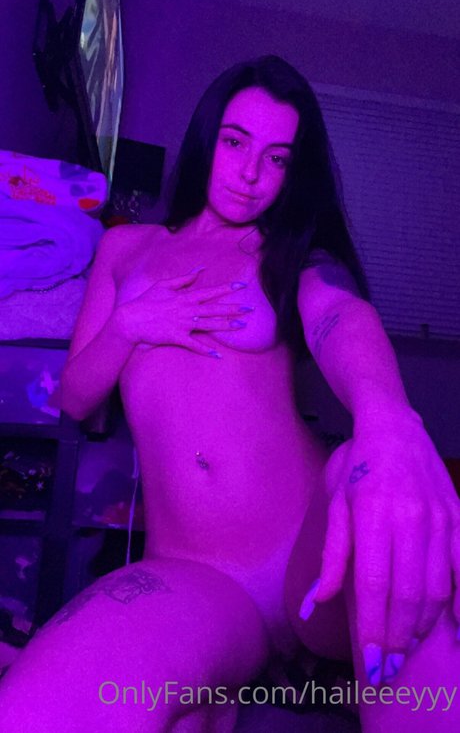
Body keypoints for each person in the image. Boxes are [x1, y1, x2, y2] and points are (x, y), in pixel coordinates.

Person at [0, 54, 459, 733]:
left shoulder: (288, 252)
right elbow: (74, 398)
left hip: (311, 554)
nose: (249, 174)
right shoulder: (127, 252)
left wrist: (389, 422)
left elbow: (337, 315)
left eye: (276, 159)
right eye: (236, 143)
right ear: (206, 138)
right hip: (198, 574)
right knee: (39, 709)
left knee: (367, 478)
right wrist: (131, 323)